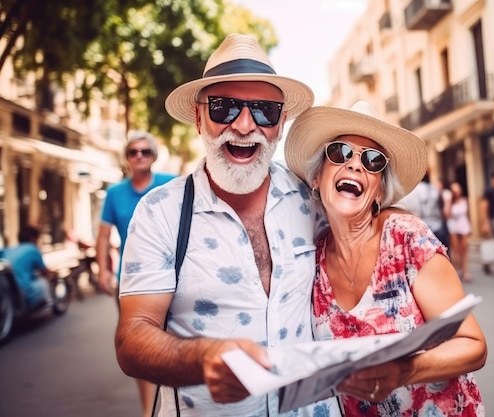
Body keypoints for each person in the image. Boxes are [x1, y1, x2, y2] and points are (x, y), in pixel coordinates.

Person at [113, 34, 341, 416]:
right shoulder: (160, 212)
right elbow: (133, 337)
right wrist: (203, 358)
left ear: (281, 123)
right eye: (224, 108)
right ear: (200, 118)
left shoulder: (312, 199)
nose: (245, 125)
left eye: (265, 110)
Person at [285, 101, 487, 416]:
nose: (354, 166)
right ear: (316, 177)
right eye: (339, 153)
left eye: (372, 160)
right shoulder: (312, 257)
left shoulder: (406, 237)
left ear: (379, 191)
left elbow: (473, 344)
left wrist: (405, 371)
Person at [96, 129, 176, 417]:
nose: (139, 156)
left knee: (175, 342)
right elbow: (103, 235)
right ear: (127, 158)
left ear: (154, 155)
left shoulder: (171, 184)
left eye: (145, 151)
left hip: (175, 277)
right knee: (142, 345)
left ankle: (174, 405)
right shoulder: (115, 193)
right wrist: (103, 270)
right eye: (133, 152)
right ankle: (147, 411)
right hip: (131, 282)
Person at [2, 226, 54, 310]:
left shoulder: (8, 250)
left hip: (6, 290)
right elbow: (44, 271)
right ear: (33, 239)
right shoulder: (33, 249)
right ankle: (49, 303)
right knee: (44, 282)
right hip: (23, 293)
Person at [395, 171, 450, 250]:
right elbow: (441, 207)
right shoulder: (434, 189)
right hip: (438, 227)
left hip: (422, 231)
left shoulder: (411, 191)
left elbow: (412, 211)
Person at [446, 181, 472, 282]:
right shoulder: (450, 202)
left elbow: (468, 215)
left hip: (464, 226)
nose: (457, 192)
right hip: (453, 227)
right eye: (454, 190)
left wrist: (470, 227)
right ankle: (456, 270)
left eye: (458, 189)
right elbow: (447, 215)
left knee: (464, 249)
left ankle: (465, 270)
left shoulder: (464, 200)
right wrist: (449, 202)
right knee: (456, 251)